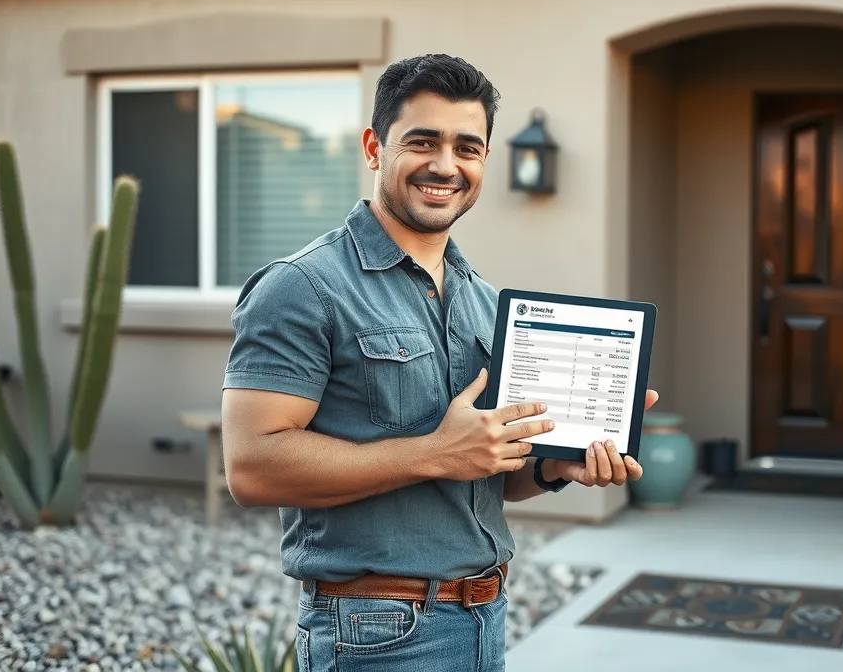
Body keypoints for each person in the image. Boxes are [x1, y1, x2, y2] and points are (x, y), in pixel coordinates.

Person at [219, 53, 656, 671]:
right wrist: (435, 452)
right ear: (375, 147)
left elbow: (489, 475)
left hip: (484, 616)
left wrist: (555, 467)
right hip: (375, 631)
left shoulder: (484, 301)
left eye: (467, 147)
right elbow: (252, 469)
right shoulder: (303, 287)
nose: (445, 165)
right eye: (422, 141)